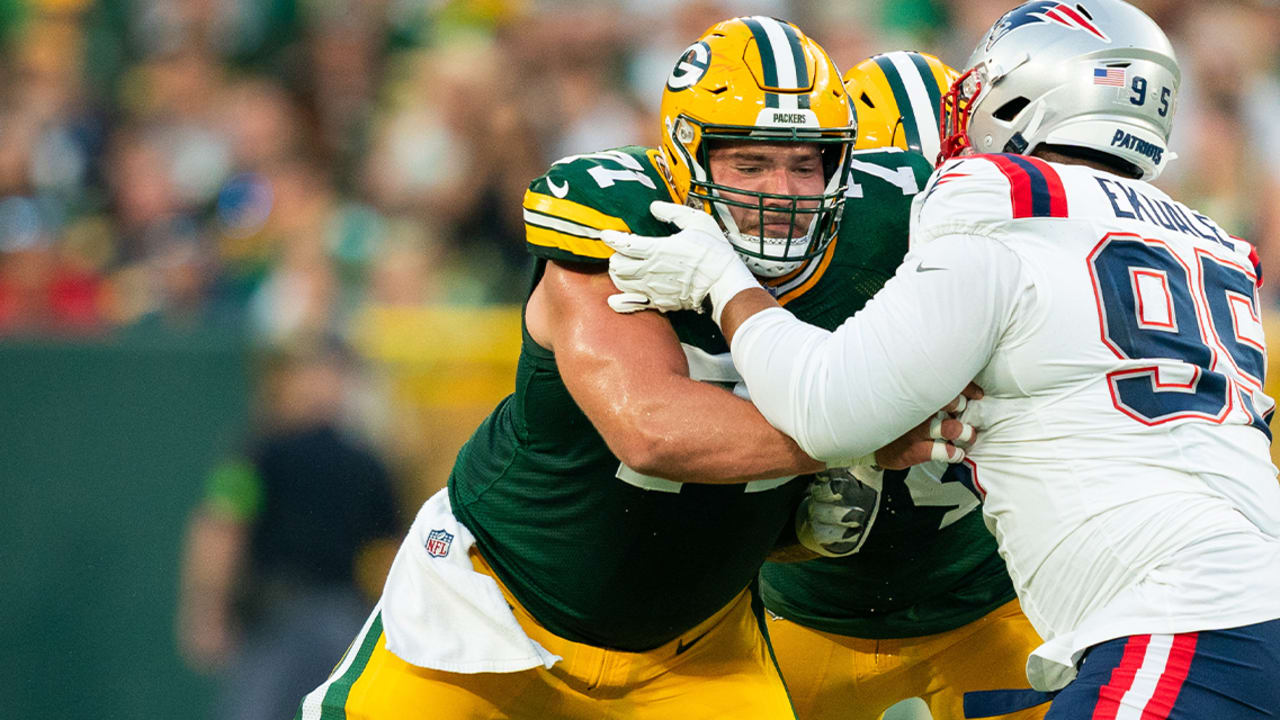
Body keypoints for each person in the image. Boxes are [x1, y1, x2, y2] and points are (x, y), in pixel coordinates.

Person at [604, 1, 1280, 718]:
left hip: (1180, 621)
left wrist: (723, 282)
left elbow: (827, 411)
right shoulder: (1204, 236)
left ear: (1029, 91)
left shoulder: (996, 198)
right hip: (1241, 596)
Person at [295, 16, 968, 720]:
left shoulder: (885, 227)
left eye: (807, 164)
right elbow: (652, 430)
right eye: (751, 163)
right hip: (491, 613)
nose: (785, 192)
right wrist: (857, 425)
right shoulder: (617, 222)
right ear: (686, 155)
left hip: (696, 651)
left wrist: (800, 523)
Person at [758, 52, 1048, 720]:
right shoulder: (782, 276)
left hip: (986, 603)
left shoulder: (1023, 269)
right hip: (808, 612)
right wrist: (785, 526)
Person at [177, 338, 401, 720]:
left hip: (319, 617)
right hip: (291, 618)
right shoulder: (266, 453)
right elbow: (222, 526)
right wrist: (208, 608)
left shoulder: (270, 450)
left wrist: (205, 611)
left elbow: (220, 528)